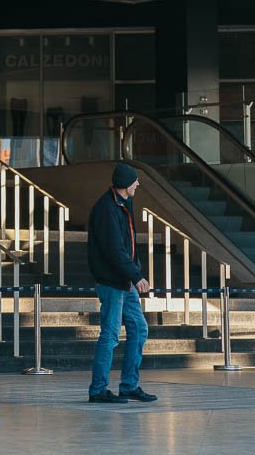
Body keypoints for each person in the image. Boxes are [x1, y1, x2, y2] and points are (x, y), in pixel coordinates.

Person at [86, 162, 157, 403]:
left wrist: (134, 272)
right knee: (111, 334)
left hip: (124, 280)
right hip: (112, 282)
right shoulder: (107, 209)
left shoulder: (123, 204)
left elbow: (128, 247)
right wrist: (137, 276)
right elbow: (114, 250)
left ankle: (129, 385)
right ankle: (98, 389)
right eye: (135, 180)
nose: (138, 184)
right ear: (127, 184)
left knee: (139, 328)